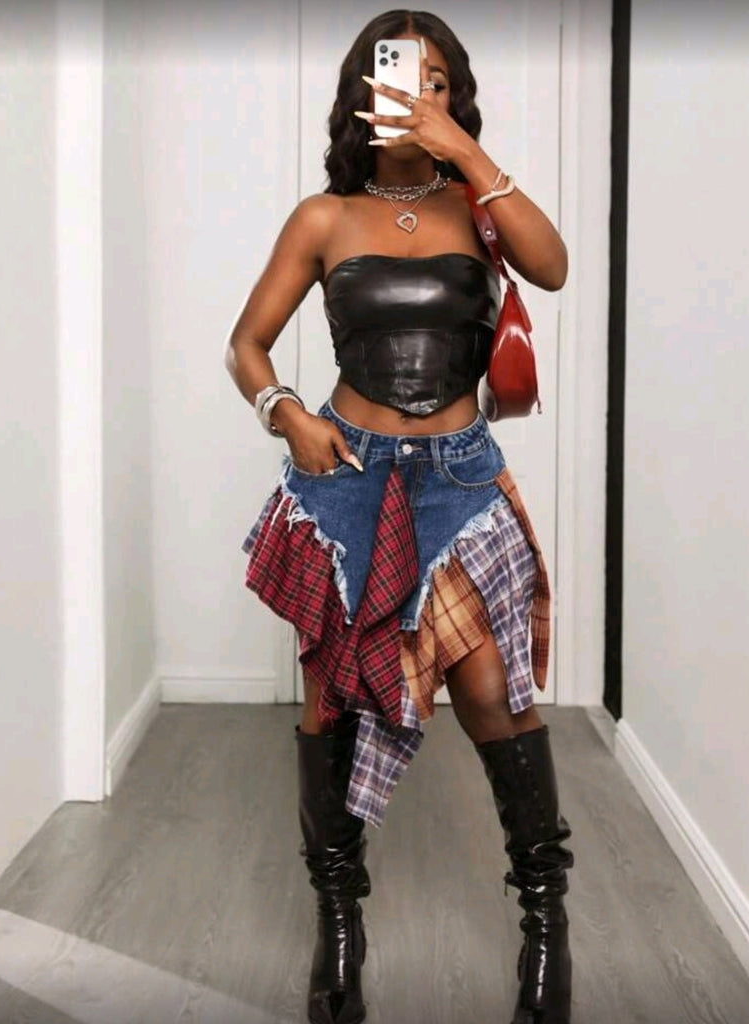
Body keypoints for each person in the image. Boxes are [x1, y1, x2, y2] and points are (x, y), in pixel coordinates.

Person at [224, 10, 575, 1023]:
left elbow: (552, 267)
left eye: (433, 82)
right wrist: (284, 412)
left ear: (452, 96)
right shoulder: (323, 218)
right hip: (347, 476)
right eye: (394, 79)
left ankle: (546, 920)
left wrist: (462, 150)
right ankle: (338, 923)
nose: (412, 96)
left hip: (457, 481)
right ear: (358, 95)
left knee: (492, 694)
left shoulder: (478, 206)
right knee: (332, 699)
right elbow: (246, 344)